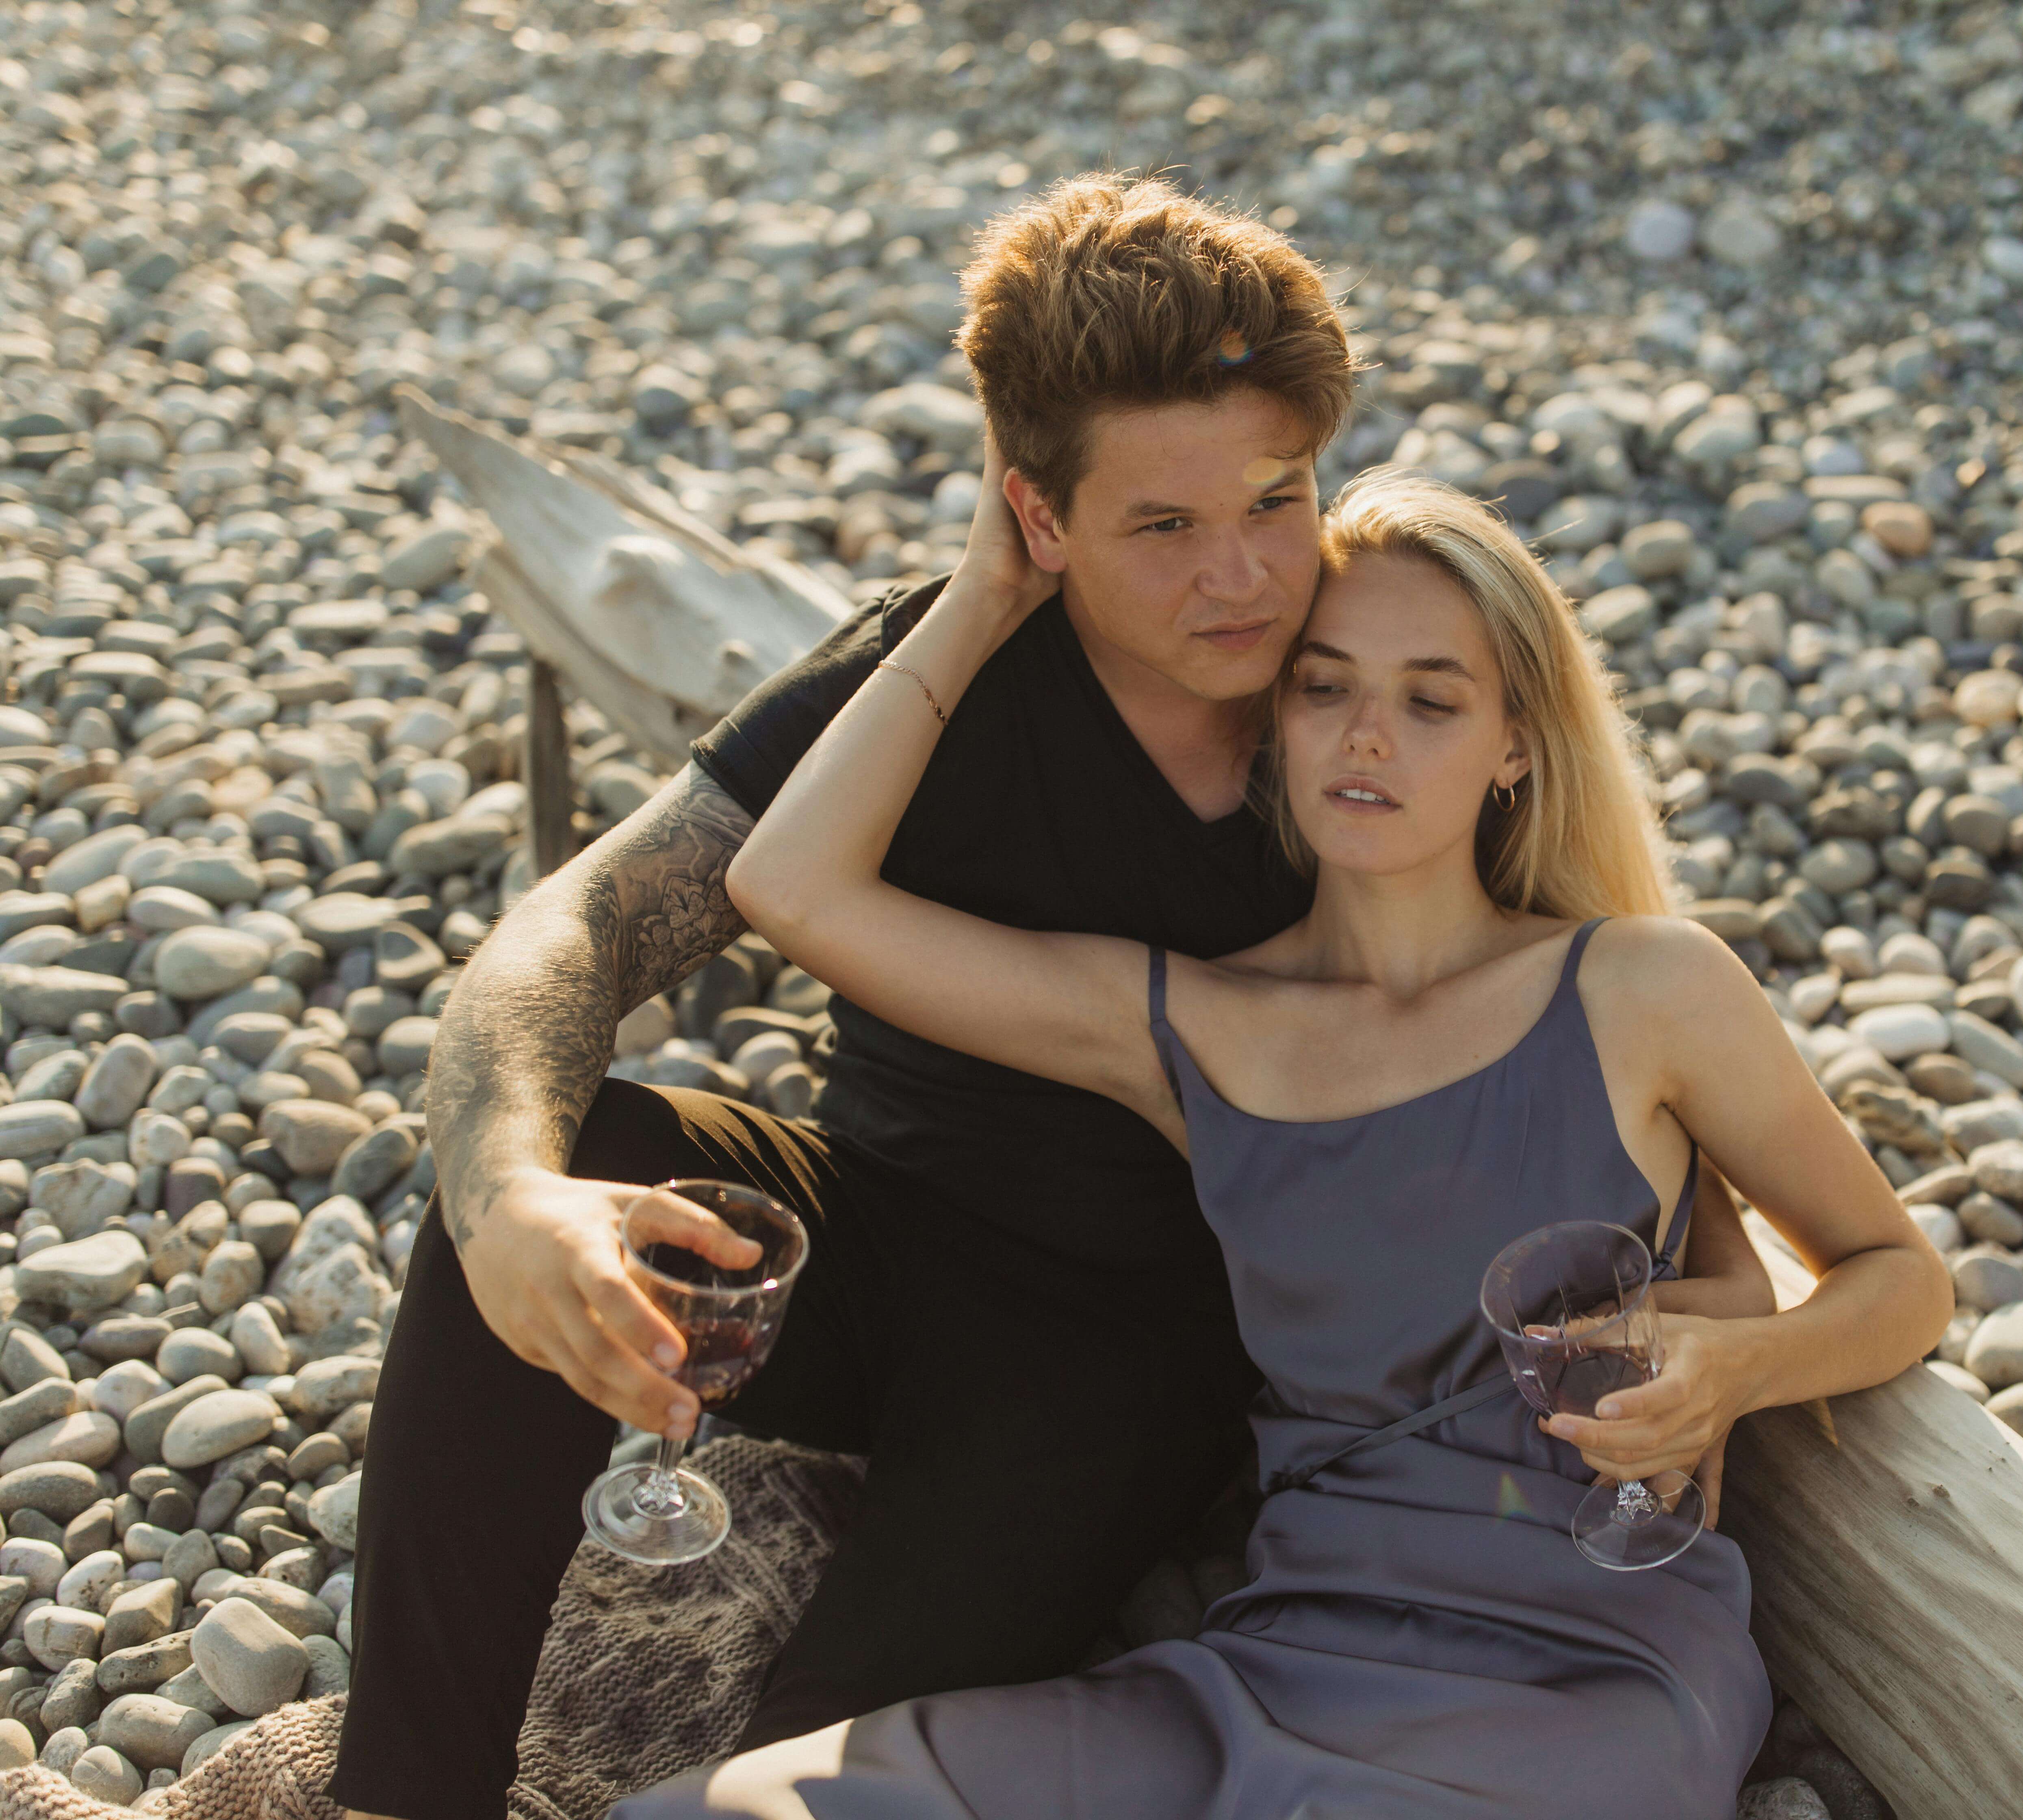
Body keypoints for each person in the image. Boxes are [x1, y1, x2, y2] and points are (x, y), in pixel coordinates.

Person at [328, 173, 1776, 1820]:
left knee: (789, 1774)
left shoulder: (1367, 730)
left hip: (1136, 1362)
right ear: (1036, 513)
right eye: (1162, 527)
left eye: (1275, 499)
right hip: (871, 1237)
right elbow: (583, 924)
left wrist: (1718, 1299)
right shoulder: (932, 680)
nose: (1242, 579)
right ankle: (399, 1797)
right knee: (574, 1142)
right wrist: (512, 1191)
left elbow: (1578, 1004)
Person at [610, 455, 1955, 1818]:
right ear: (1277, 720)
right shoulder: (1200, 1026)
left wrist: (1745, 1364)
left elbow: (1901, 1277)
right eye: (1325, 687)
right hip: (1278, 1659)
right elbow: (789, 884)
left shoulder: (1647, 990)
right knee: (709, 1813)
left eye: (1432, 701)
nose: (1368, 736)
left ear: (1517, 746)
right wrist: (985, 588)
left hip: (1589, 1675)